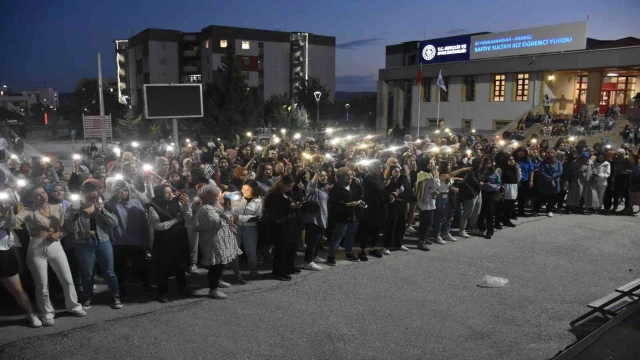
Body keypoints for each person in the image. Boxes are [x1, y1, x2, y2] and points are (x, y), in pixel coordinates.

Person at [4, 186, 87, 326]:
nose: (43, 196)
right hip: (36, 248)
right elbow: (12, 223)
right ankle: (47, 312)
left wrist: (63, 229)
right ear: (30, 198)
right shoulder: (28, 211)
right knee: (42, 284)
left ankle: (73, 305)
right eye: (37, 195)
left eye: (43, 192)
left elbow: (68, 228)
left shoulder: (57, 208)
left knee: (67, 280)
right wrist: (9, 209)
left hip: (56, 246)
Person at [67, 182, 122, 309]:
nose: (92, 200)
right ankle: (88, 296)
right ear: (83, 195)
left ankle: (116, 295)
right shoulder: (75, 207)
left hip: (102, 240)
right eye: (89, 198)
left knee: (109, 271)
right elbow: (70, 228)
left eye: (94, 197)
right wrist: (75, 215)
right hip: (83, 243)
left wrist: (102, 211)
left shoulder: (100, 205)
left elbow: (114, 223)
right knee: (87, 272)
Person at [105, 181, 152, 297]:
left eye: (125, 190)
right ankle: (121, 287)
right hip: (118, 241)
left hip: (136, 241)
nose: (123, 193)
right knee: (120, 267)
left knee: (141, 265)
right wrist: (115, 198)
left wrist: (145, 239)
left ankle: (145, 284)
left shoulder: (136, 203)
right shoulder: (112, 204)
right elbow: (108, 208)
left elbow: (143, 222)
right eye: (120, 191)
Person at [148, 184, 193, 303]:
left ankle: (182, 289)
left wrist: (186, 205)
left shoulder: (176, 203)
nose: (170, 194)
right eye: (166, 193)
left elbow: (187, 216)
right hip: (163, 241)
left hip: (178, 238)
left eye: (171, 192)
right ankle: (163, 293)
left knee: (180, 265)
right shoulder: (154, 207)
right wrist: (175, 220)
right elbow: (158, 226)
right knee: (163, 267)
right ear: (159, 194)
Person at [198, 185, 243, 299]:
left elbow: (223, 215)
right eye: (215, 195)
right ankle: (213, 289)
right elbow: (217, 223)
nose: (218, 197)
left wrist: (227, 210)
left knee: (221, 262)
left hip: (220, 238)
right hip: (213, 240)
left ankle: (218, 280)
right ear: (209, 196)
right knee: (216, 265)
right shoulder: (206, 208)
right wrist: (227, 212)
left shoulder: (214, 205)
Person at [0, 210, 41, 327]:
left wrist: (19, 263)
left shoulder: (5, 226)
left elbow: (14, 244)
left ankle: (31, 313)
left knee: (17, 290)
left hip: (4, 256)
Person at [264, 175, 301, 281]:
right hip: (280, 225)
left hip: (290, 223)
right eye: (289, 186)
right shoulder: (274, 195)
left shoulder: (288, 193)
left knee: (291, 247)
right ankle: (278, 271)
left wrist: (294, 206)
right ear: (282, 185)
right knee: (281, 249)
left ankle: (289, 267)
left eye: (292, 186)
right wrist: (290, 207)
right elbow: (274, 210)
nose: (291, 189)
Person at [327, 167, 363, 265]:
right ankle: (331, 256)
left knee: (351, 235)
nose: (350, 177)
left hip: (354, 215)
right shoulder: (336, 188)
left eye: (351, 175)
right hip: (342, 216)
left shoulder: (354, 184)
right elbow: (334, 204)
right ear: (340, 177)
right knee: (338, 236)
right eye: (347, 175)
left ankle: (349, 253)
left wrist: (360, 201)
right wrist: (347, 204)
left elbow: (360, 195)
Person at [230, 180, 263, 281]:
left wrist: (239, 218)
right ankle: (236, 273)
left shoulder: (259, 201)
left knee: (251, 251)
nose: (244, 191)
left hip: (250, 229)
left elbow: (258, 217)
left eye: (247, 189)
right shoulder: (236, 196)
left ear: (254, 190)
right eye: (243, 189)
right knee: (234, 251)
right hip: (235, 227)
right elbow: (223, 201)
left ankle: (253, 270)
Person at [301, 170, 330, 269]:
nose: (324, 177)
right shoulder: (312, 187)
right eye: (322, 176)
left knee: (318, 241)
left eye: (325, 175)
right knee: (312, 241)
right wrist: (317, 173)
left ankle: (314, 256)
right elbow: (312, 185)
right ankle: (307, 262)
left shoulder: (324, 188)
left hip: (321, 218)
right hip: (313, 219)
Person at [415, 157, 439, 250]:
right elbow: (436, 186)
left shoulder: (425, 173)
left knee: (427, 222)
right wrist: (436, 175)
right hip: (426, 203)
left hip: (428, 201)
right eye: (428, 163)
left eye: (431, 163)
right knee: (427, 222)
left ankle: (424, 238)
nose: (431, 165)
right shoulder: (425, 175)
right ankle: (421, 241)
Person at [537, 149, 563, 217]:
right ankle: (536, 210)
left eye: (552, 153)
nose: (550, 154)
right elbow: (541, 171)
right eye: (549, 153)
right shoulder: (543, 162)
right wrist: (548, 177)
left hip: (555, 182)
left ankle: (549, 210)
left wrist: (552, 177)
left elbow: (560, 171)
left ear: (554, 154)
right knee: (541, 196)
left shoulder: (558, 162)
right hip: (545, 181)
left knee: (552, 197)